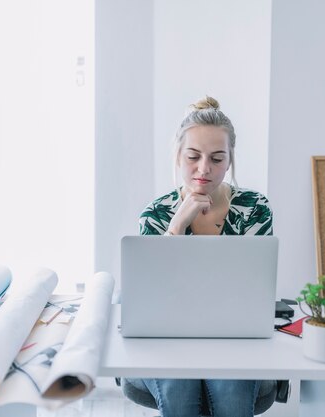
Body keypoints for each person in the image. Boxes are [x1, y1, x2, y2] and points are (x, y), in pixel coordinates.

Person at [126, 96, 273, 417]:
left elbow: (253, 289)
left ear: (230, 160)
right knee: (178, 389)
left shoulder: (254, 208)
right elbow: (149, 296)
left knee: (231, 389)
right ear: (178, 155)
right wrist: (178, 223)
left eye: (217, 159)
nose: (204, 169)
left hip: (235, 340)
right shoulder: (156, 215)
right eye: (193, 156)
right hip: (167, 341)